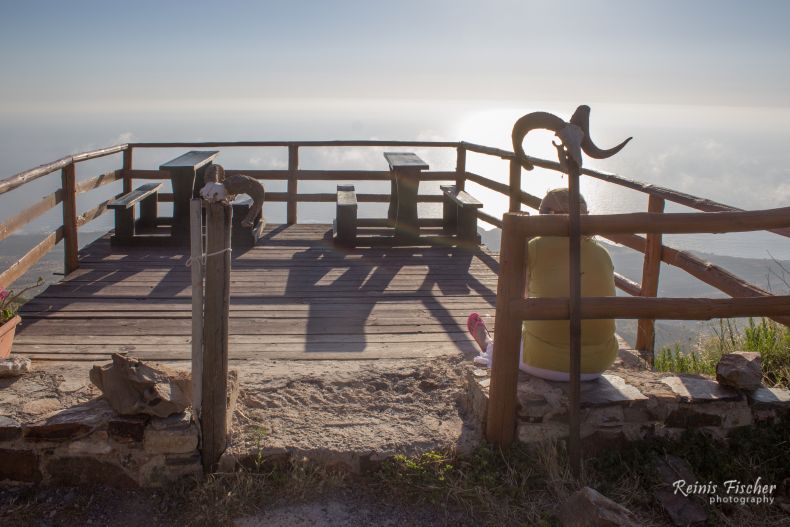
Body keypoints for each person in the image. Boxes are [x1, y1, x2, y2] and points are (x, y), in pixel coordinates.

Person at [468, 188, 618, 381]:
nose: (538, 219)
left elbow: (516, 300)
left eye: (543, 213)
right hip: (598, 364)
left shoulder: (535, 247)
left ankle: (488, 342)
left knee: (507, 341)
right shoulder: (602, 253)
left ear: (554, 215)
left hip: (545, 362)